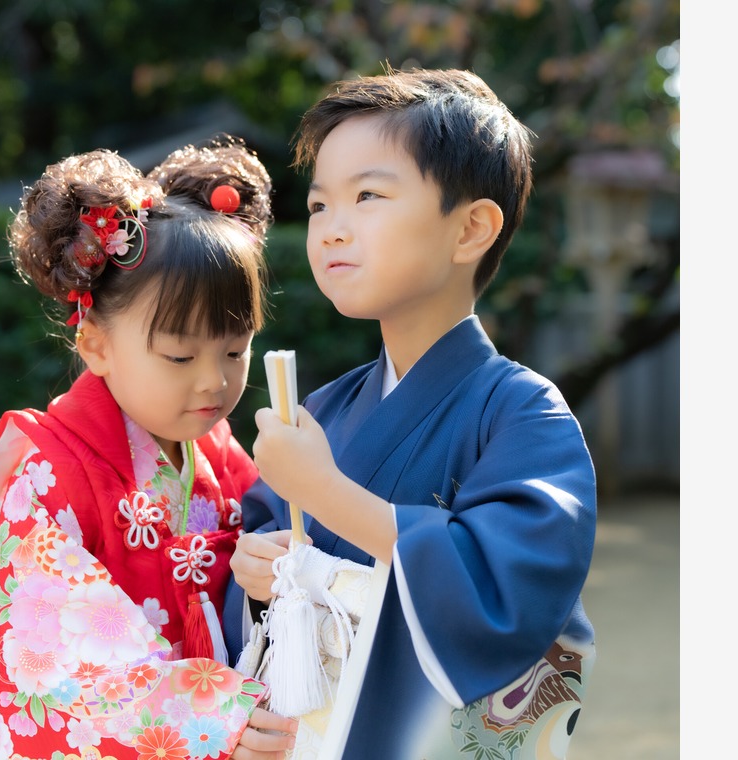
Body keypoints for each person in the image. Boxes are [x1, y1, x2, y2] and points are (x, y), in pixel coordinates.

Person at [221, 67, 597, 759]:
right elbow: (263, 566)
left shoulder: (523, 412)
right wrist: (256, 576)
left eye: (367, 196)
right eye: (321, 206)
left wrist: (326, 494)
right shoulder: (323, 409)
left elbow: (512, 592)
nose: (332, 229)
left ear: (471, 230)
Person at [0, 138, 298, 759]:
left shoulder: (215, 454)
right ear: (96, 345)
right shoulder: (49, 474)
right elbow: (54, 667)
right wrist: (215, 716)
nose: (213, 380)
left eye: (235, 350)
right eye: (180, 355)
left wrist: (271, 565)